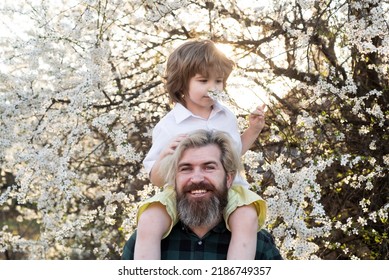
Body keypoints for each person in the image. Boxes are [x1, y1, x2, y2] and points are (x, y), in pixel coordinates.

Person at [135, 39, 267, 259]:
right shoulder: (169, 126)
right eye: (203, 80)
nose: (213, 88)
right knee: (149, 220)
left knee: (247, 218)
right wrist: (166, 156)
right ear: (181, 84)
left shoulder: (227, 116)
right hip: (181, 193)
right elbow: (156, 179)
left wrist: (253, 130)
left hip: (229, 189)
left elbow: (232, 157)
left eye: (219, 81)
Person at [123, 130, 282, 260]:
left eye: (209, 167)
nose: (197, 178)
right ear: (174, 180)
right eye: (186, 168)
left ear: (228, 178)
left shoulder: (258, 244)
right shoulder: (146, 240)